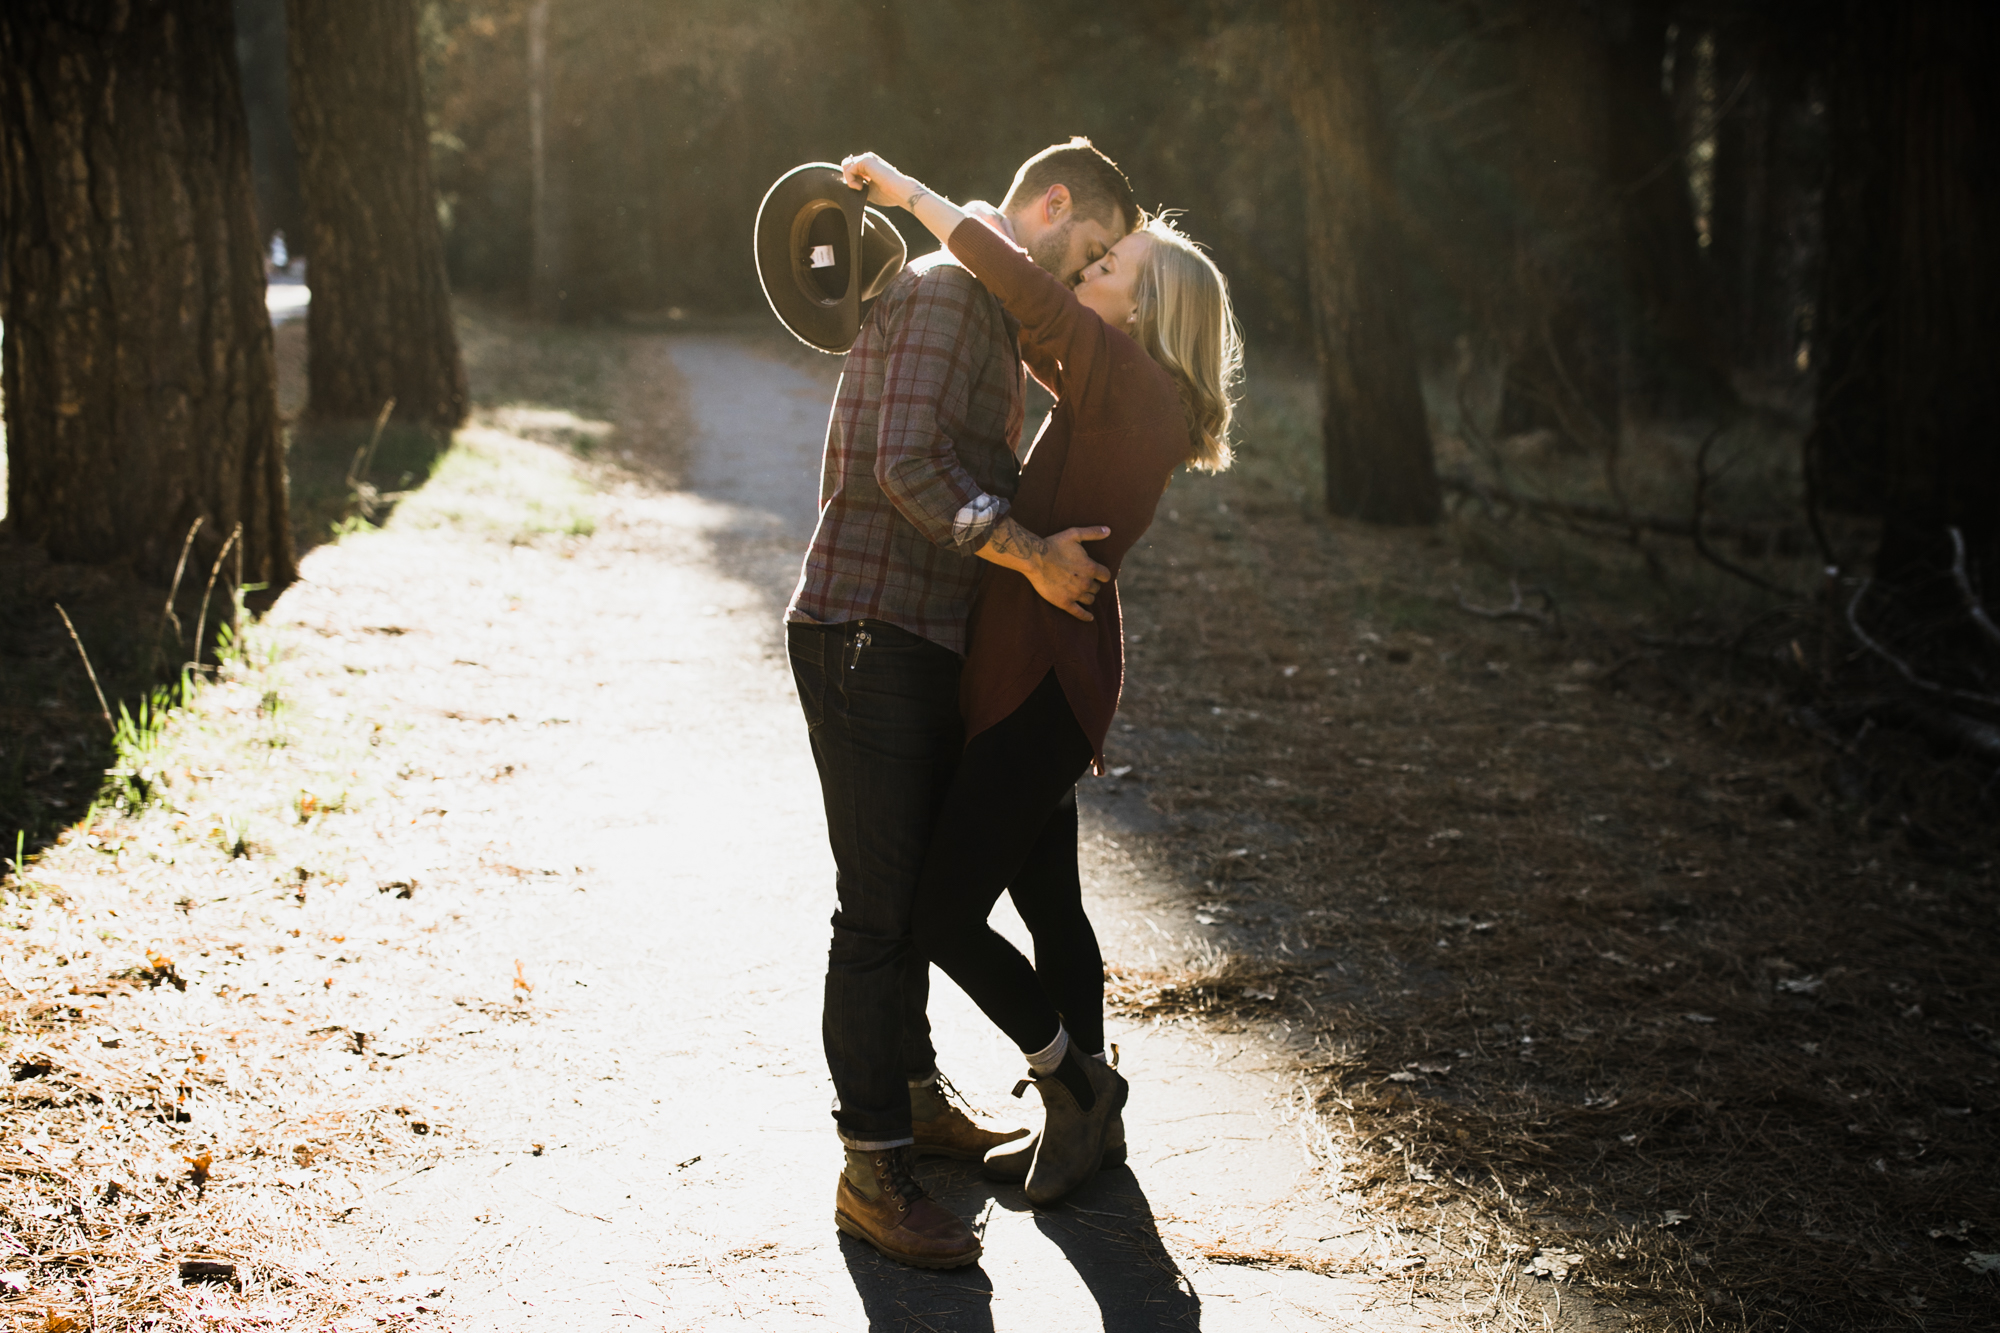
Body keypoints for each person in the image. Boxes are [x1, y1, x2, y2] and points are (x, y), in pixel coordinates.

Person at [839, 150, 1241, 1207]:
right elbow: (1020, 308)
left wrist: (910, 195)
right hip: (1046, 684)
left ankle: (1075, 1085)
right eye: (1099, 251)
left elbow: (1012, 280)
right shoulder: (1131, 390)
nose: (1093, 267)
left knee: (940, 916)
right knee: (1051, 902)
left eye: (1111, 264)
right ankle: (1084, 1135)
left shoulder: (1126, 380)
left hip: (1038, 690)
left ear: (1143, 308)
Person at [786, 140, 1140, 1269]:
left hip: (915, 635)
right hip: (865, 630)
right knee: (878, 914)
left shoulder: (994, 310)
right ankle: (872, 1167)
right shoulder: (950, 292)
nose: (1076, 283)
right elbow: (904, 463)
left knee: (904, 895)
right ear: (1048, 208)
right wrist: (1031, 554)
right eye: (1083, 254)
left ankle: (912, 1101)